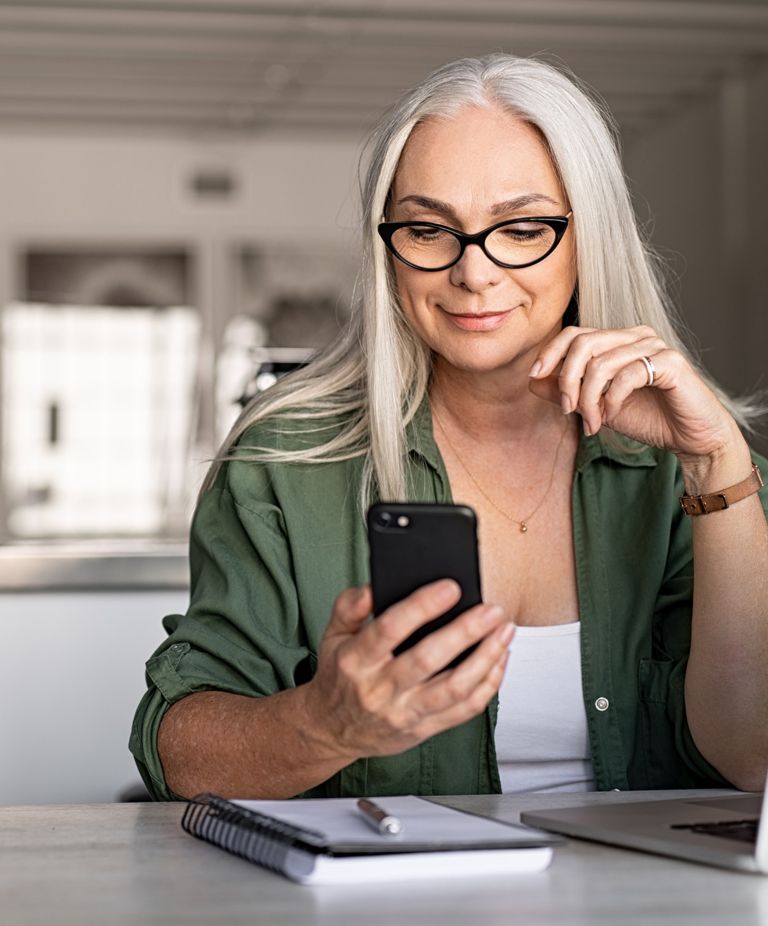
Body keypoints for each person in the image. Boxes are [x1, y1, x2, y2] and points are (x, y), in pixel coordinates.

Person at [130, 54, 768, 802]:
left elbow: (751, 754)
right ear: (387, 247)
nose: (474, 272)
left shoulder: (696, 462)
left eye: (522, 227)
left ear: (588, 236)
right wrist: (324, 724)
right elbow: (178, 754)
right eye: (429, 230)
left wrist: (716, 462)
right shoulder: (284, 460)